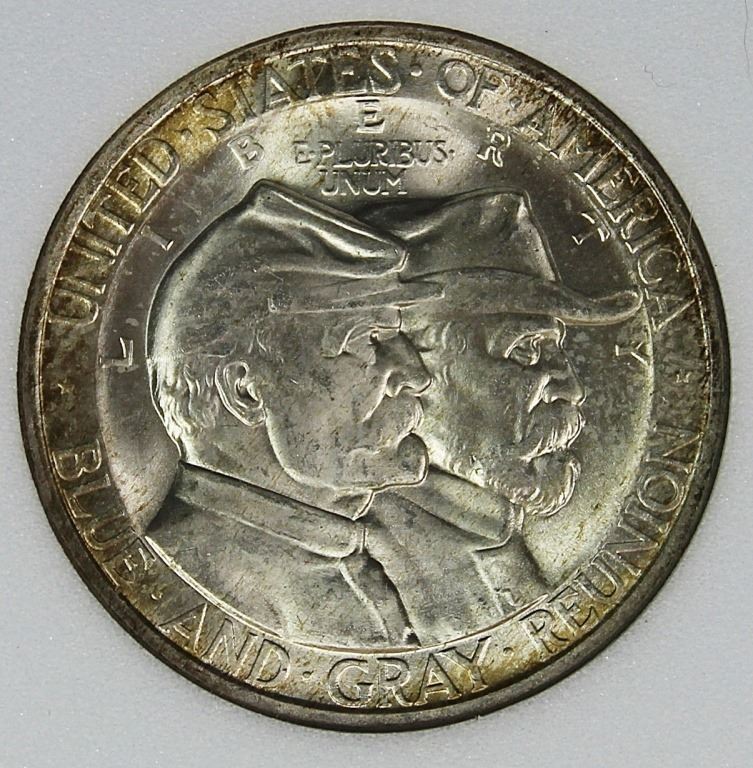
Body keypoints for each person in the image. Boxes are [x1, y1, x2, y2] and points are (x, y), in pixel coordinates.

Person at [146, 180, 442, 648]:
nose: (416, 374)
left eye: (401, 340)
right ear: (244, 391)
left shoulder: (344, 559)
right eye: (367, 340)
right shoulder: (190, 579)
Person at [358, 187, 642, 644]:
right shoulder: (360, 560)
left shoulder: (490, 529)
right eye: (527, 350)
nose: (571, 388)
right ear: (413, 368)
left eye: (555, 352)